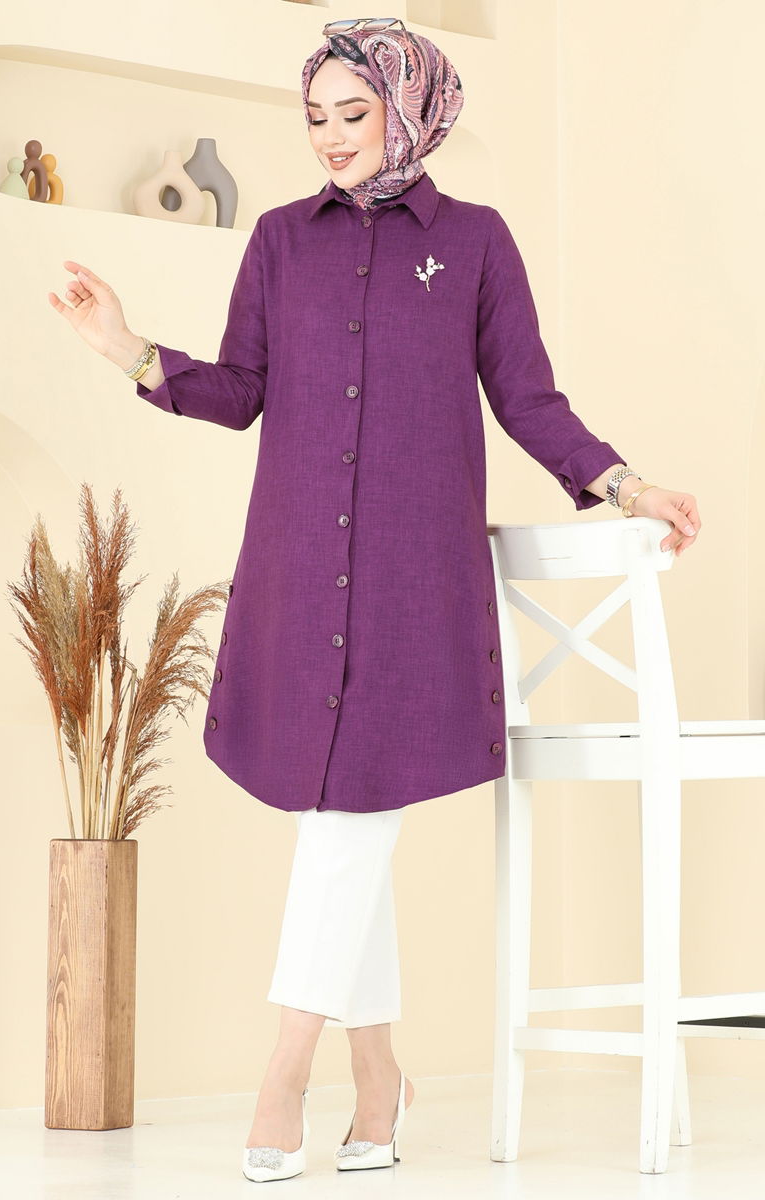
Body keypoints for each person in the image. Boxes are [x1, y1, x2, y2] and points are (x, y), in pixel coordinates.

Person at [47, 16, 701, 1183]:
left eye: (353, 114)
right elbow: (240, 390)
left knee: (345, 824)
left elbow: (526, 398)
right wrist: (129, 349)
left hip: (412, 588)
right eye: (315, 118)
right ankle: (380, 1077)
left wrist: (622, 483)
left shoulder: (476, 242)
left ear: (408, 111)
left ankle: (282, 1072)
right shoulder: (278, 242)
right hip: (300, 575)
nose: (331, 137)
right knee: (339, 821)